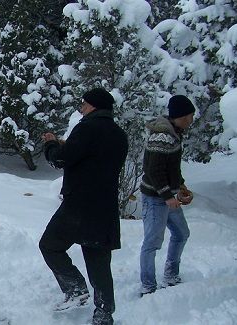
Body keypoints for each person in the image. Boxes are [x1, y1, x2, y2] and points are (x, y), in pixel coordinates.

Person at [39, 88, 128, 325]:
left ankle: (76, 290)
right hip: (105, 205)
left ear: (94, 106)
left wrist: (50, 144)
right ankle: (104, 313)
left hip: (78, 205)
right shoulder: (119, 134)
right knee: (98, 259)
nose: (81, 108)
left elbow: (61, 158)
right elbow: (93, 157)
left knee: (50, 245)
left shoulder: (87, 127)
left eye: (84, 104)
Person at [139, 95, 195, 297]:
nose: (191, 120)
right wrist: (167, 196)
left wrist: (180, 186)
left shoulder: (174, 133)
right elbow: (154, 171)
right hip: (156, 198)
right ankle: (148, 286)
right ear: (179, 116)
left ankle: (171, 276)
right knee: (152, 243)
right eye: (188, 116)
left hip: (167, 196)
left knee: (181, 233)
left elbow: (171, 167)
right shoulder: (162, 136)